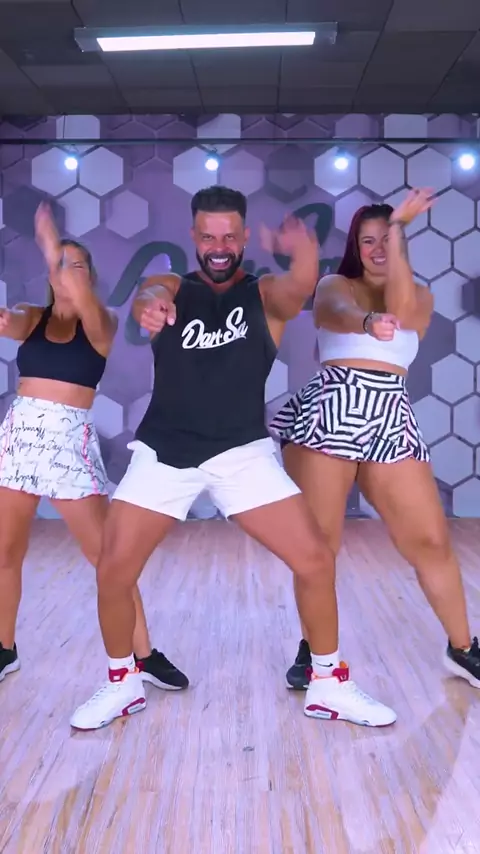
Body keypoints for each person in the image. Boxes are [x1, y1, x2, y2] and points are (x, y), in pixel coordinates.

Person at [70, 185, 397, 732]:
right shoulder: (175, 287)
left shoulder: (263, 293)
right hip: (167, 452)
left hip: (242, 453)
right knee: (113, 569)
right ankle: (122, 684)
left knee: (316, 560)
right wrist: (150, 303)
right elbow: (153, 288)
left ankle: (329, 684)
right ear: (193, 237)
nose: (218, 246)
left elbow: (297, 289)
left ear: (244, 238)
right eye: (207, 236)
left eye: (228, 236)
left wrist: (305, 253)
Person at [270, 190, 480, 692]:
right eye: (368, 241)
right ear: (355, 247)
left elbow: (402, 310)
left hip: (390, 414)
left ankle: (462, 648)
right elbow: (335, 311)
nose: (378, 249)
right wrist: (368, 322)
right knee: (320, 545)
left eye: (388, 239)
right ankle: (314, 650)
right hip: (331, 411)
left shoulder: (419, 296)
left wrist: (399, 228)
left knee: (430, 540)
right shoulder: (334, 284)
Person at [0, 203, 188, 693]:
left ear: (90, 275)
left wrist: (51, 247)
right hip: (18, 439)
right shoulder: (34, 316)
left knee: (108, 559)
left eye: (77, 264)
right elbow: (9, 321)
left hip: (68, 445)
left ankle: (143, 654)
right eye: (59, 265)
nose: (67, 272)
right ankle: (4, 647)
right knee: (4, 551)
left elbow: (85, 303)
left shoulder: (101, 321)